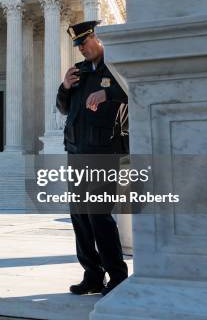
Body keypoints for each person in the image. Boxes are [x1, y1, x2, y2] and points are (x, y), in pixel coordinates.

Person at [56, 20, 129, 296]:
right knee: (80, 217)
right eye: (78, 45)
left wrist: (108, 92)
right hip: (76, 152)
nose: (81, 49)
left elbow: (137, 91)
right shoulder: (80, 72)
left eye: (84, 43)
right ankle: (92, 274)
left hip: (104, 152)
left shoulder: (118, 66)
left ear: (96, 38)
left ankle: (118, 275)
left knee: (99, 216)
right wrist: (64, 87)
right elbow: (63, 108)